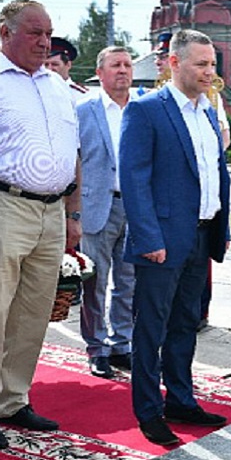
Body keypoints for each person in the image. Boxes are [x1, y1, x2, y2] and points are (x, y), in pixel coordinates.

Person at [0, 0, 80, 450]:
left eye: (48, 33)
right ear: (4, 32)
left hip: (52, 211)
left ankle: (12, 398)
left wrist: (73, 215)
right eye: (34, 33)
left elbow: (74, 155)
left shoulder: (58, 86)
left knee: (33, 311)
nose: (44, 42)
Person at [119, 29, 231, 447]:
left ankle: (180, 399)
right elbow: (134, 179)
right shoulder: (147, 110)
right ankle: (148, 410)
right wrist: (148, 236)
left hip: (200, 236)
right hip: (161, 241)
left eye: (212, 64)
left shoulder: (206, 113)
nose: (209, 71)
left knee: (186, 323)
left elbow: (213, 175)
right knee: (152, 327)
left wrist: (222, 227)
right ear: (174, 63)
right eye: (201, 63)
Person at [78, 46, 137, 379]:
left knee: (128, 281)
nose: (123, 70)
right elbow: (74, 159)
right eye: (115, 65)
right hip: (97, 206)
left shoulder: (141, 109)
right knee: (96, 283)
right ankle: (97, 348)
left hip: (135, 207)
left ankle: (121, 344)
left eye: (127, 65)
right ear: (99, 73)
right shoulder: (84, 109)